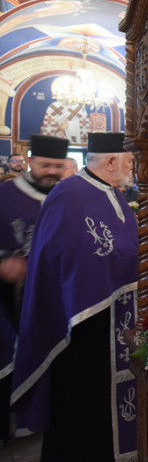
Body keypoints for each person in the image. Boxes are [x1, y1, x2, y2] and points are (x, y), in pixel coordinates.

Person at [12, 132, 137, 462]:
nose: (131, 168)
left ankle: (107, 452)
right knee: (80, 394)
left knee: (102, 392)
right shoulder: (69, 194)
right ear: (110, 161)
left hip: (112, 315)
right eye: (129, 162)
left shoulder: (114, 193)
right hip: (79, 318)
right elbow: (62, 257)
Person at [0, 134, 68, 442]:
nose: (51, 171)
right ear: (29, 161)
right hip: (16, 297)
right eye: (44, 165)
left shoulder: (68, 196)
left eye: (57, 165)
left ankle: (46, 415)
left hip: (59, 295)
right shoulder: (6, 195)